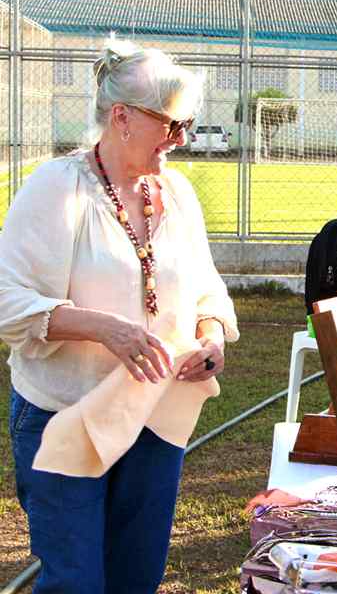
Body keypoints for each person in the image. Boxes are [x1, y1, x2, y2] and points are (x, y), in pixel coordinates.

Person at [0, 41, 239, 593]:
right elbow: (9, 302)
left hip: (154, 417)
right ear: (121, 117)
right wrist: (104, 328)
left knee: (137, 576)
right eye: (172, 124)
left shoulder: (177, 193)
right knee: (76, 581)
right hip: (66, 417)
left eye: (189, 124)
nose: (182, 138)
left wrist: (210, 334)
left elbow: (206, 288)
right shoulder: (58, 187)